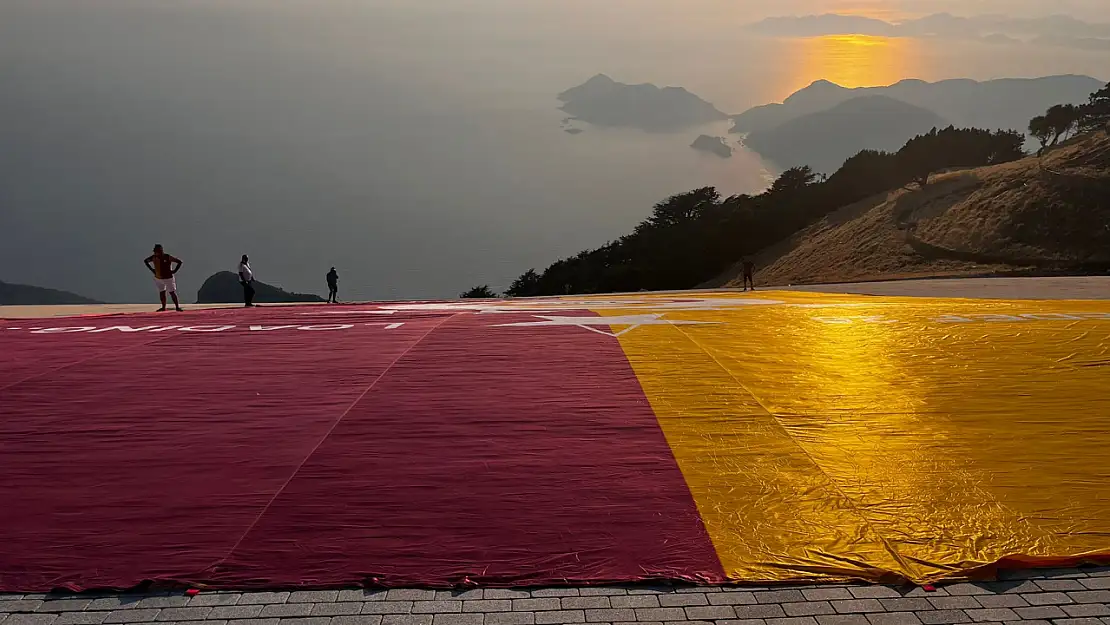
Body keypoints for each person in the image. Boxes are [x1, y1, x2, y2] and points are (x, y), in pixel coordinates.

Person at [144, 244, 183, 312]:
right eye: (156, 251)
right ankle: (163, 307)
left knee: (172, 292)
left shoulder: (167, 257)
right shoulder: (153, 257)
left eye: (158, 251)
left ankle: (177, 307)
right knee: (162, 292)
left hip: (168, 278)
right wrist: (152, 270)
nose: (157, 253)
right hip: (158, 278)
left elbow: (179, 262)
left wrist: (174, 271)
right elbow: (145, 261)